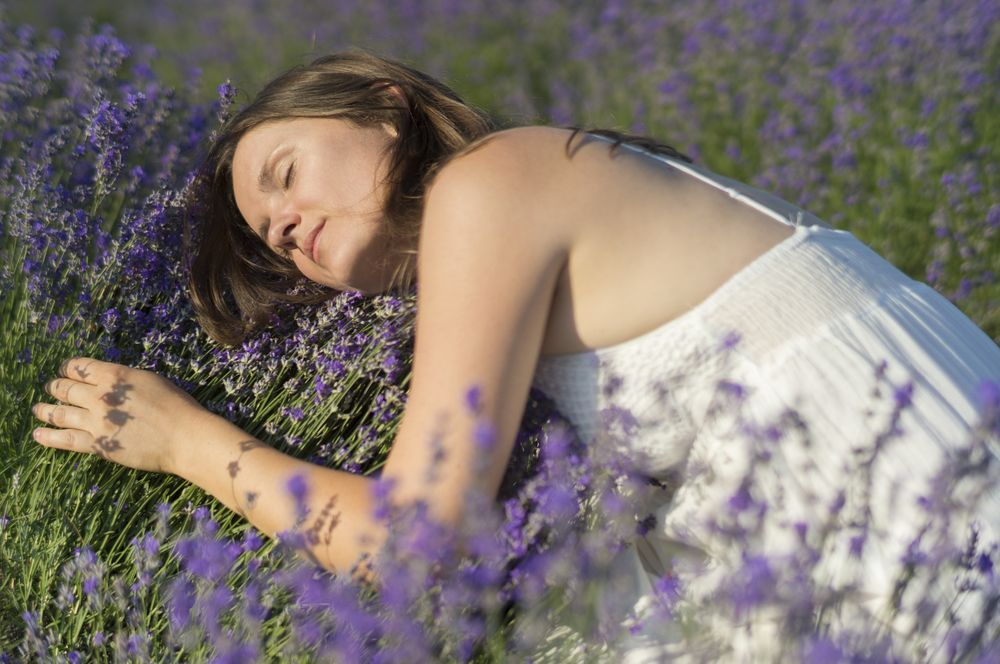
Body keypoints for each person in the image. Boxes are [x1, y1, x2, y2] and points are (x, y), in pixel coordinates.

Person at [29, 50, 1000, 660]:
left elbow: (417, 541)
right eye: (273, 237)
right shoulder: (517, 213)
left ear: (384, 101)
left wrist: (190, 443)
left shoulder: (491, 183)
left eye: (284, 174)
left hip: (934, 543)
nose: (284, 221)